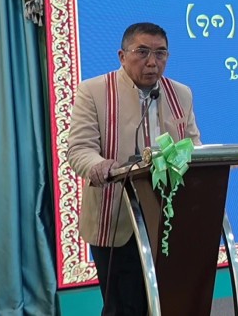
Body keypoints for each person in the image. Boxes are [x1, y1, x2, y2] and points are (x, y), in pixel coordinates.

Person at [67, 22, 201, 315]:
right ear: (122, 55)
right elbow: (79, 149)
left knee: (171, 304)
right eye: (142, 52)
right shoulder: (94, 91)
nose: (152, 62)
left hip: (168, 220)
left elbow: (192, 146)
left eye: (160, 53)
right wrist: (99, 166)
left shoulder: (181, 94)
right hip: (117, 218)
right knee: (124, 308)